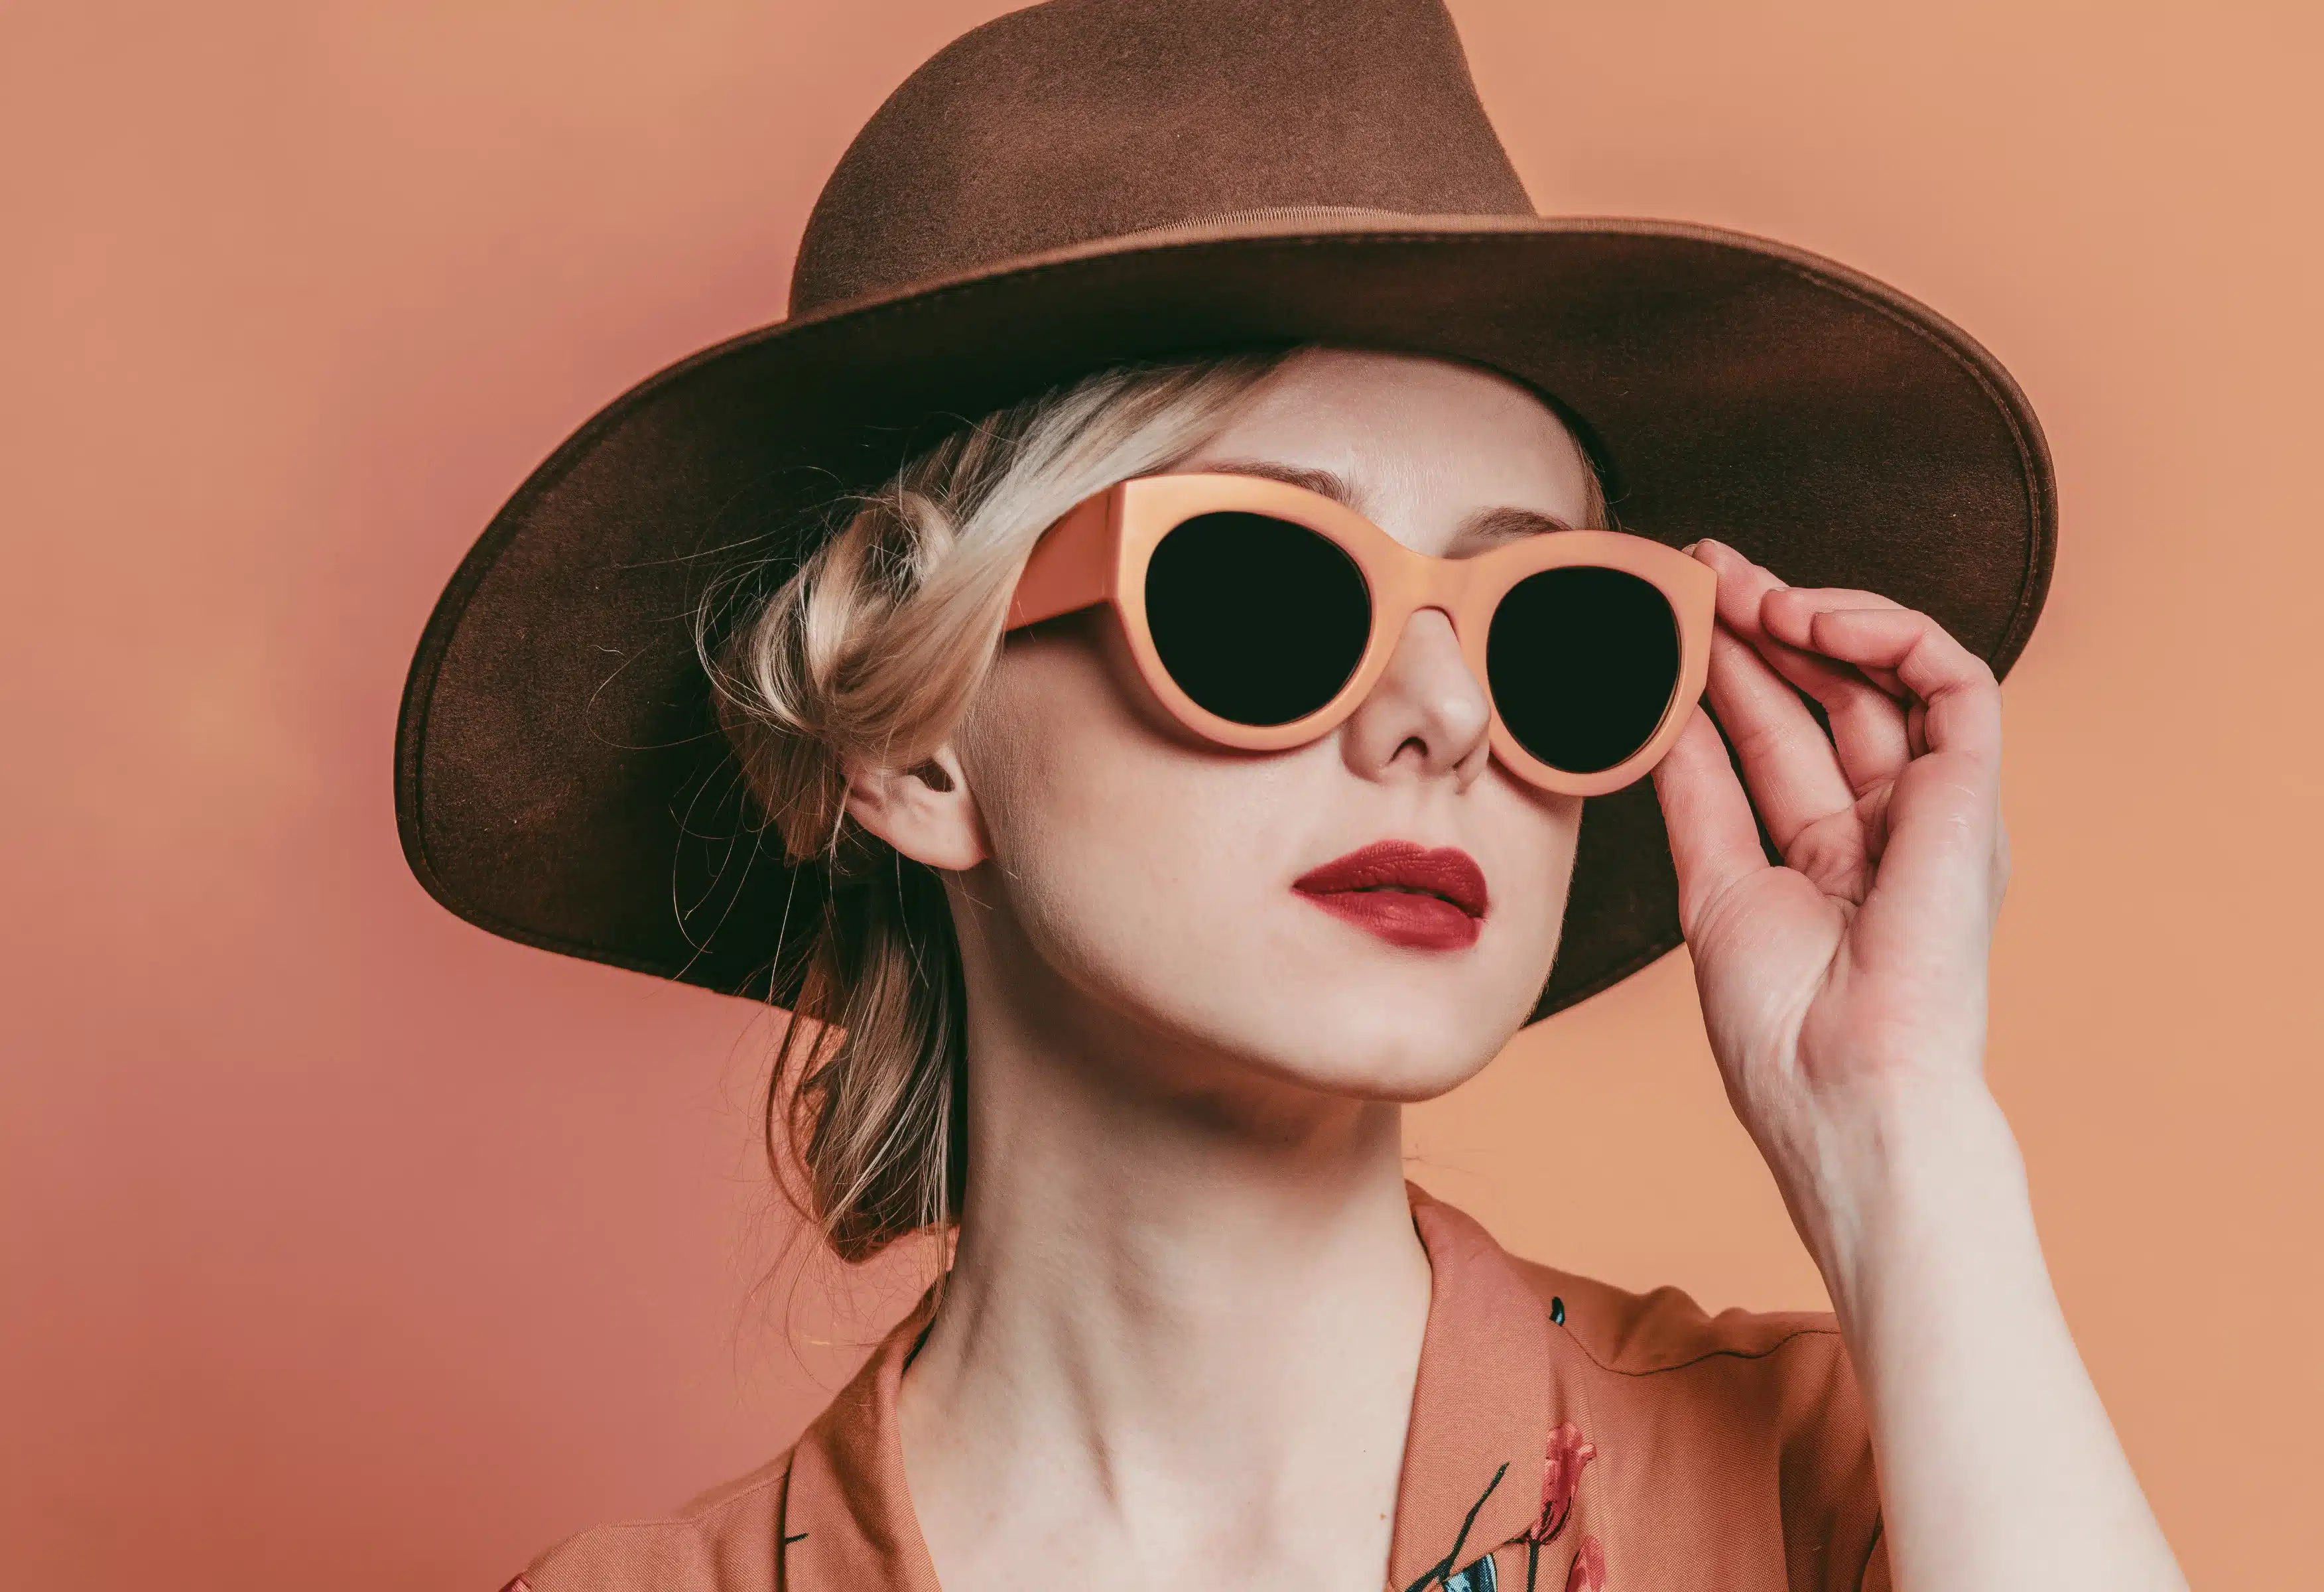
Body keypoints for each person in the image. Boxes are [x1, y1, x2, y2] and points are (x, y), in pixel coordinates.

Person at [397, 3, 2187, 1589]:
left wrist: (1900, 1146)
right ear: (909, 732)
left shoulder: (1850, 1498)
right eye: (1264, 595)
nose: (1442, 717)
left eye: (1549, 626)